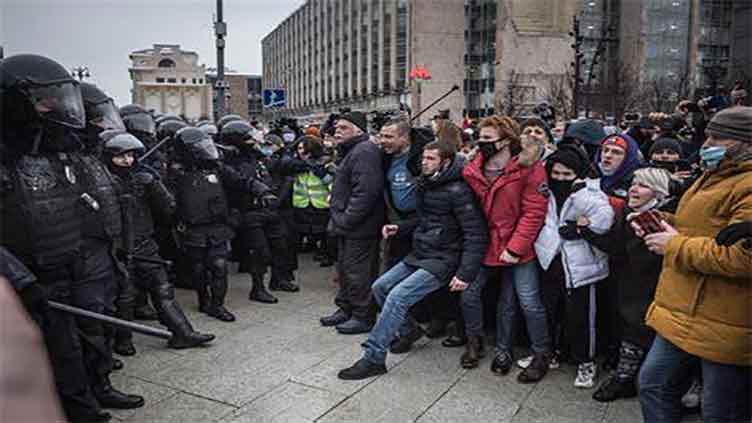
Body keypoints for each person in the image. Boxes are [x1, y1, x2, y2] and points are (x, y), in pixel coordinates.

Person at [0, 53, 112, 422]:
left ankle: (84, 410)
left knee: (69, 352)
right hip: (18, 287)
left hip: (60, 272)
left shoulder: (51, 155)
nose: (56, 109)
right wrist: (20, 279)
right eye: (45, 100)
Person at [637, 106, 752, 423]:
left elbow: (742, 256)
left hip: (726, 321)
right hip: (682, 310)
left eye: (718, 137)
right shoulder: (713, 175)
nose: (706, 144)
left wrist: (673, 245)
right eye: (707, 135)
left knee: (720, 412)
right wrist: (663, 221)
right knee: (653, 385)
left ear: (745, 143)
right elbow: (702, 227)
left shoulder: (747, 184)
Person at [338, 140, 487, 380]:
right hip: (422, 252)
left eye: (430, 159)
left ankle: (373, 357)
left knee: (398, 297)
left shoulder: (459, 191)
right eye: (424, 158)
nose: (424, 163)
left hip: (444, 259)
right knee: (380, 287)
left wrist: (465, 273)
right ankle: (409, 331)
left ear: (445, 162)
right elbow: (424, 220)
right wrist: (399, 227)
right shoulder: (427, 184)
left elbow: (475, 234)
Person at [461, 116, 553, 382]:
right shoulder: (473, 168)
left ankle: (535, 353)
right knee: (470, 291)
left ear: (506, 141)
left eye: (489, 139)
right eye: (481, 137)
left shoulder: (527, 166)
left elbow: (534, 211)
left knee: (523, 301)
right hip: (485, 242)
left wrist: (515, 248)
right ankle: (474, 340)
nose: (482, 142)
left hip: (517, 244)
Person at [103, 133, 215, 349]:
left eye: (131, 156)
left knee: (163, 288)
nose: (128, 161)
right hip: (115, 248)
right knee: (124, 297)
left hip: (144, 243)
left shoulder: (143, 178)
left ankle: (183, 332)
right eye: (120, 156)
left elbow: (168, 208)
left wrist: (154, 184)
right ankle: (123, 340)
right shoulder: (102, 181)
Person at [580, 167, 673, 401]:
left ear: (658, 193)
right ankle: (625, 374)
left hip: (649, 287)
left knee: (638, 329)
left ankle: (625, 378)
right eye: (634, 183)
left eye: (643, 185)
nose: (634, 188)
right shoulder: (627, 212)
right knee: (627, 325)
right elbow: (616, 246)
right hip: (627, 283)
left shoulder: (660, 220)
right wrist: (586, 231)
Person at [533, 145, 614, 389]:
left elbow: (604, 220)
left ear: (578, 174)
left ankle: (586, 362)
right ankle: (553, 352)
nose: (560, 179)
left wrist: (580, 229)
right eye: (556, 173)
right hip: (551, 258)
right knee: (549, 310)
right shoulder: (545, 192)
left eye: (566, 175)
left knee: (581, 318)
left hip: (581, 266)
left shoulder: (589, 194)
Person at [320, 111, 385, 335]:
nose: (337, 131)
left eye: (344, 128)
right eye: (337, 128)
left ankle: (362, 315)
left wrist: (346, 219)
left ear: (359, 130)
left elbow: (365, 192)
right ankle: (346, 308)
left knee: (358, 271)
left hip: (359, 226)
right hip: (347, 224)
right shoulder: (351, 151)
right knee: (346, 268)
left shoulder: (364, 151)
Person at [220, 120, 295, 303]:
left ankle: (278, 279)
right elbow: (239, 180)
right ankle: (258, 288)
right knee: (260, 251)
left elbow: (270, 171)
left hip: (268, 208)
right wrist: (258, 188)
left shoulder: (255, 156)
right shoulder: (227, 162)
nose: (254, 141)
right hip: (249, 210)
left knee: (281, 245)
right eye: (249, 139)